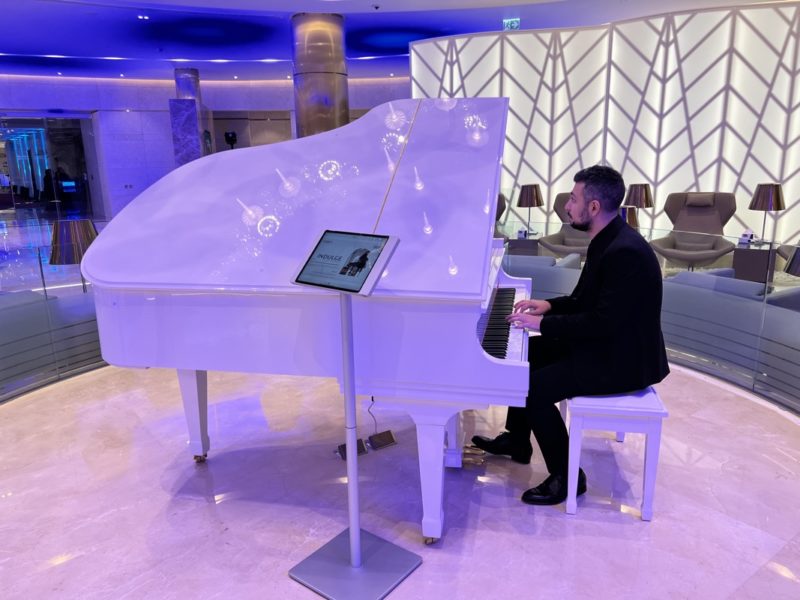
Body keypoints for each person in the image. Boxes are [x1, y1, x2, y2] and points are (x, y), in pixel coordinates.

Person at [472, 165, 669, 505]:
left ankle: (568, 477)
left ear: (594, 208)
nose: (567, 206)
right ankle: (517, 439)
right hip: (609, 344)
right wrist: (547, 307)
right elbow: (583, 301)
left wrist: (543, 326)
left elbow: (602, 324)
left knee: (535, 389)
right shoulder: (608, 239)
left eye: (574, 199)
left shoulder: (623, 252)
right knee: (526, 357)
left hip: (623, 360)